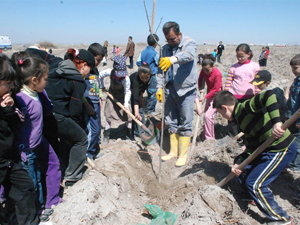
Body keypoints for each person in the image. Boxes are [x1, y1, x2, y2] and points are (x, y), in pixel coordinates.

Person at [213, 90, 296, 225]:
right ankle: (251, 197)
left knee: (255, 183)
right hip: (266, 149)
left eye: (220, 113)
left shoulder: (246, 107)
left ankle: (281, 218)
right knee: (239, 163)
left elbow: (269, 95)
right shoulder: (240, 121)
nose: (222, 116)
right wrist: (239, 163)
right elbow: (252, 146)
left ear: (225, 107)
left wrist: (276, 123)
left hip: (281, 148)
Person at [11, 55, 61, 221]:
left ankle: (41, 208)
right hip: (26, 150)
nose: (46, 83)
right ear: (34, 80)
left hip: (37, 143)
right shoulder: (22, 99)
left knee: (38, 179)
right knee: (32, 183)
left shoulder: (34, 93)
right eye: (45, 79)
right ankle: (36, 213)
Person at [44, 49, 95, 187]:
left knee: (61, 141)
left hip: (42, 114)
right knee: (81, 138)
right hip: (57, 115)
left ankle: (61, 170)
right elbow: (74, 111)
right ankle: (73, 176)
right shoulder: (77, 80)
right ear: (83, 65)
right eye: (90, 69)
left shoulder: (57, 68)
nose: (89, 73)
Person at [0, 54, 39, 225]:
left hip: (10, 158)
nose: (11, 87)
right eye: (7, 83)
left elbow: (14, 125)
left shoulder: (8, 99)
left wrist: (8, 110)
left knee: (25, 188)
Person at [156, 21, 198, 167]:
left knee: (186, 121)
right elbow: (160, 71)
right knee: (171, 120)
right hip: (170, 89)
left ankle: (183, 154)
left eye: (172, 39)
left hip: (186, 90)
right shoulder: (165, 48)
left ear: (179, 34)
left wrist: (173, 59)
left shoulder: (189, 42)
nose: (170, 42)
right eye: (167, 39)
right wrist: (159, 88)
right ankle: (173, 152)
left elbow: (189, 55)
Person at [224, 43, 260, 138]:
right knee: (233, 117)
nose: (239, 58)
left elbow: (257, 81)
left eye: (242, 56)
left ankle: (247, 137)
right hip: (234, 97)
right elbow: (228, 82)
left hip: (249, 97)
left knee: (247, 117)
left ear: (249, 54)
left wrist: (257, 92)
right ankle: (234, 137)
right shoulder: (233, 67)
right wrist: (226, 94)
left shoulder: (255, 66)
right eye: (237, 56)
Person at [84, 43, 110, 160]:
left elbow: (97, 85)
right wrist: (87, 104)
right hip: (87, 104)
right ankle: (88, 155)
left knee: (97, 129)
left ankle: (93, 152)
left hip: (95, 103)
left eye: (100, 61)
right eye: (97, 60)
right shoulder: (85, 70)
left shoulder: (94, 69)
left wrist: (99, 98)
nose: (98, 63)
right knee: (91, 130)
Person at [100, 55, 132, 145]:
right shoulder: (109, 72)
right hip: (112, 96)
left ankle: (129, 134)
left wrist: (126, 105)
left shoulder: (126, 79)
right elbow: (100, 75)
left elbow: (127, 92)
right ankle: (106, 135)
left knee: (128, 116)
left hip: (122, 97)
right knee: (108, 115)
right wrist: (102, 86)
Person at [198, 54, 222, 140]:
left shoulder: (217, 74)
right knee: (206, 116)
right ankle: (204, 136)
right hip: (209, 96)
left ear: (213, 66)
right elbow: (200, 78)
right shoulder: (203, 70)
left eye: (207, 70)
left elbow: (216, 89)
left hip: (217, 97)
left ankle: (210, 139)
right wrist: (201, 88)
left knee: (208, 116)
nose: (205, 72)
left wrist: (205, 97)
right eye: (204, 70)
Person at [136, 34, 160, 114]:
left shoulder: (143, 52)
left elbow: (138, 62)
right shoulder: (155, 53)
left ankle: (141, 108)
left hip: (142, 76)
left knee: (142, 91)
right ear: (156, 43)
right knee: (152, 94)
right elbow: (158, 63)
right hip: (151, 76)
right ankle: (150, 111)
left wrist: (144, 67)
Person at [285, 54, 300, 172]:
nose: (293, 71)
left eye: (295, 68)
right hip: (292, 116)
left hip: (297, 119)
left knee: (297, 142)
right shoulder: (296, 81)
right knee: (291, 140)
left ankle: (295, 166)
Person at [130, 63, 152, 138]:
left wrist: (141, 98)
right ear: (139, 75)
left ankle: (141, 131)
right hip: (129, 92)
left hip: (138, 92)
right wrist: (136, 112)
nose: (145, 80)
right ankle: (134, 133)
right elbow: (135, 97)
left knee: (141, 112)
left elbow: (143, 88)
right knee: (135, 114)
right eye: (142, 78)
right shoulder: (135, 80)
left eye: (147, 77)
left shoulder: (149, 76)